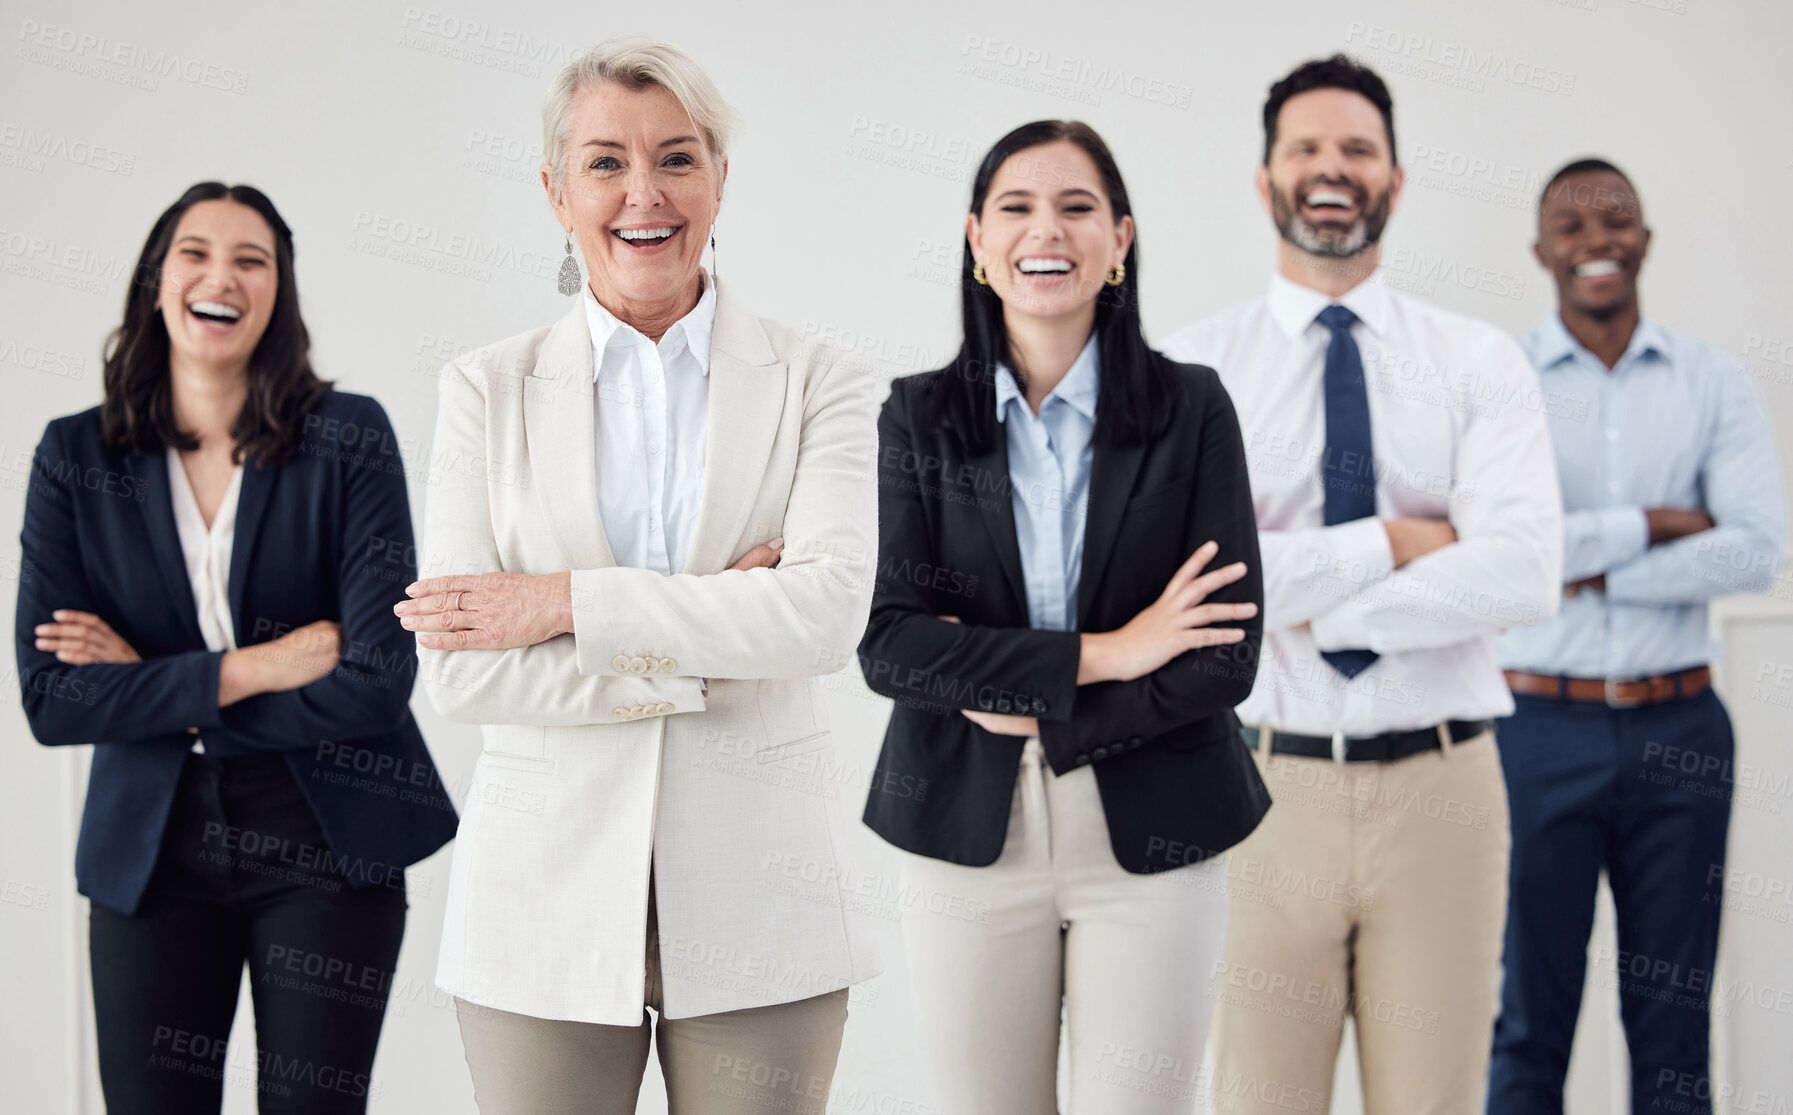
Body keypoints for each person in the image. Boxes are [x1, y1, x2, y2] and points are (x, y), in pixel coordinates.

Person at [402, 37, 880, 1115]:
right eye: (605, 162)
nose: (643, 193)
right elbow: (463, 675)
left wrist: (559, 602)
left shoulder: (820, 381)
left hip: (765, 907)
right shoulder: (485, 388)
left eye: (676, 157)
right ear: (556, 192)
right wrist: (710, 641)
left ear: (718, 177)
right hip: (541, 909)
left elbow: (819, 617)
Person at [1160, 55, 1564, 1113]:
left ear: (1394, 177)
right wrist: (1403, 536)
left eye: (1355, 149)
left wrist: (1288, 586)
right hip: (1255, 793)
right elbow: (1194, 586)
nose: (1329, 169)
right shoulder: (1191, 374)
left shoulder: (1478, 361)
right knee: (1258, 1099)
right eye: (1305, 148)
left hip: (1442, 794)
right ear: (1264, 179)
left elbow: (1521, 569)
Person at [15, 181, 457, 1114]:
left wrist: (153, 686)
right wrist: (251, 666)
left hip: (326, 836)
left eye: (251, 259)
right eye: (196, 252)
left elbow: (376, 681)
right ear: (156, 277)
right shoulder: (74, 459)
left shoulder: (349, 438)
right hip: (152, 847)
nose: (222, 276)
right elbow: (54, 698)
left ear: (279, 290)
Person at [856, 119, 1268, 1114]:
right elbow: (893, 644)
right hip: (963, 823)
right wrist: (1115, 650)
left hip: (1156, 823)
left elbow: (1222, 657)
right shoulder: (916, 416)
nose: (1049, 230)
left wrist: (1032, 699)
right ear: (975, 239)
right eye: (1017, 207)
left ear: (1119, 240)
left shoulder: (1190, 408)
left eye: (1077, 207)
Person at [1488, 159, 1785, 1115]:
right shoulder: (1502, 382)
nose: (1595, 240)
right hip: (1534, 732)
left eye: (1615, 219)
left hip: (1681, 730)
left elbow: (1754, 553)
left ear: (1645, 238)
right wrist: (1654, 524)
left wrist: (1584, 564)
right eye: (1570, 227)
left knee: (1671, 1031)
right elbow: (1505, 555)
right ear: (1542, 252)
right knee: (1527, 1022)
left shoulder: (1712, 380)